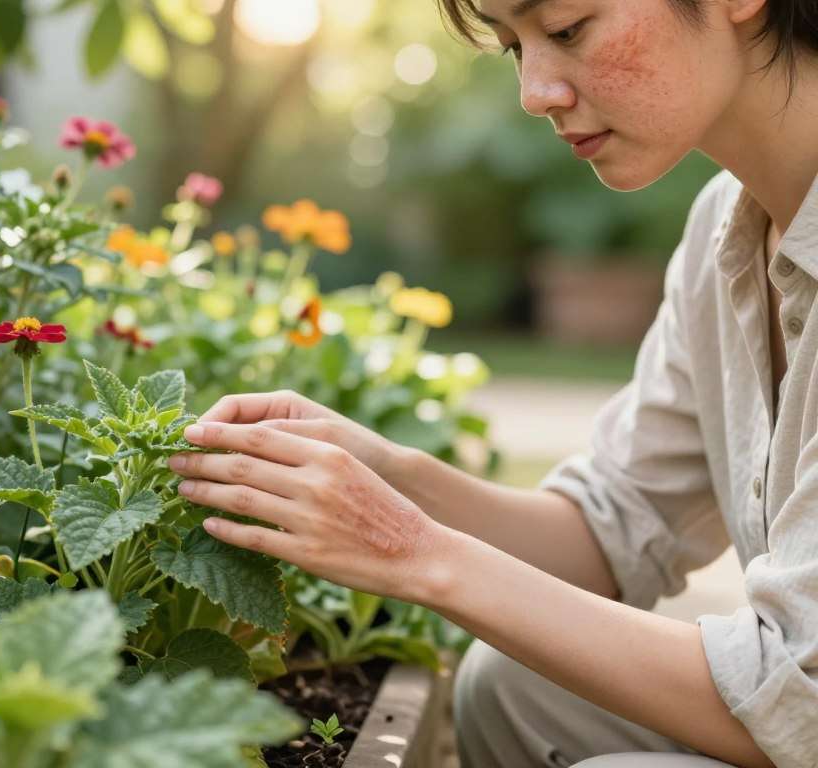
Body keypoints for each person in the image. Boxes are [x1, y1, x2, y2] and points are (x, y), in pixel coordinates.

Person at [166, 1, 818, 766]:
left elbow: (800, 693)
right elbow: (613, 524)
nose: (535, 93)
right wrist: (389, 476)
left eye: (568, 28)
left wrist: (412, 553)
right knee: (507, 688)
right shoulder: (725, 232)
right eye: (514, 47)